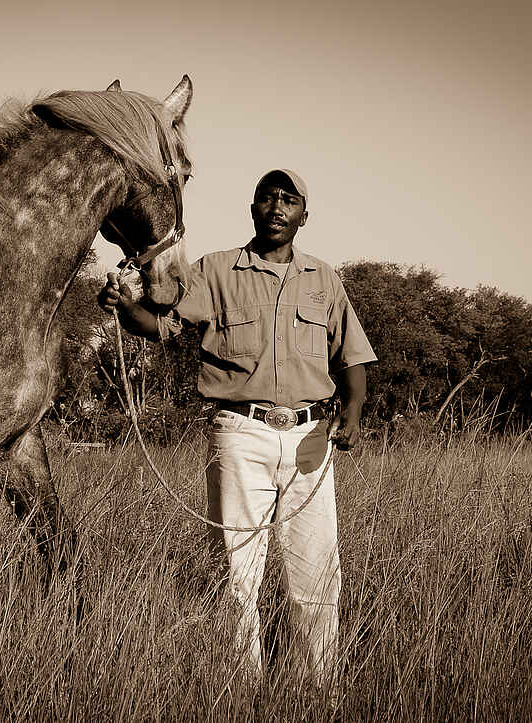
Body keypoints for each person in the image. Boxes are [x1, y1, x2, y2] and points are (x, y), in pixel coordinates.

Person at [98, 168, 376, 683]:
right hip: (240, 434)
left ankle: (318, 690)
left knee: (316, 574)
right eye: (267, 197)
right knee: (236, 573)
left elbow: (351, 355)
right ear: (252, 209)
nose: (277, 207)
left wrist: (354, 410)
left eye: (288, 199)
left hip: (310, 437)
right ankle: (240, 689)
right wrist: (126, 308)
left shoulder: (324, 278)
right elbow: (161, 326)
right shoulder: (216, 270)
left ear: (304, 216)